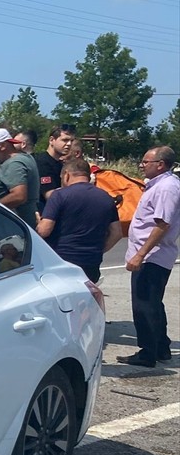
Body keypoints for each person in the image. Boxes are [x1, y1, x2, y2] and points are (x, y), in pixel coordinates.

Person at [118, 146, 178, 368]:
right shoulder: (159, 186)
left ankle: (148, 352)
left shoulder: (166, 188)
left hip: (152, 256)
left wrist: (140, 254)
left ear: (160, 164)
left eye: (145, 162)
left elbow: (163, 224)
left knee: (144, 305)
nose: (141, 165)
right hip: (149, 255)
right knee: (152, 304)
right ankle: (161, 347)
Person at [36, 157, 120, 282]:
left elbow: (44, 230)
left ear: (66, 175)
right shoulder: (105, 197)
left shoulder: (59, 195)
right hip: (91, 263)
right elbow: (117, 233)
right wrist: (99, 250)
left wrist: (39, 223)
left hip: (62, 262)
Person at [0, 127, 39, 226]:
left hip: (16, 227)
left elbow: (19, 196)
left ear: (3, 146)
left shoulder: (14, 163)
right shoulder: (26, 157)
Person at [34, 124, 77, 211]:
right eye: (65, 140)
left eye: (71, 141)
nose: (69, 144)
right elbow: (51, 195)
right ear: (51, 140)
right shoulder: (41, 162)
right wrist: (80, 187)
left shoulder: (61, 164)